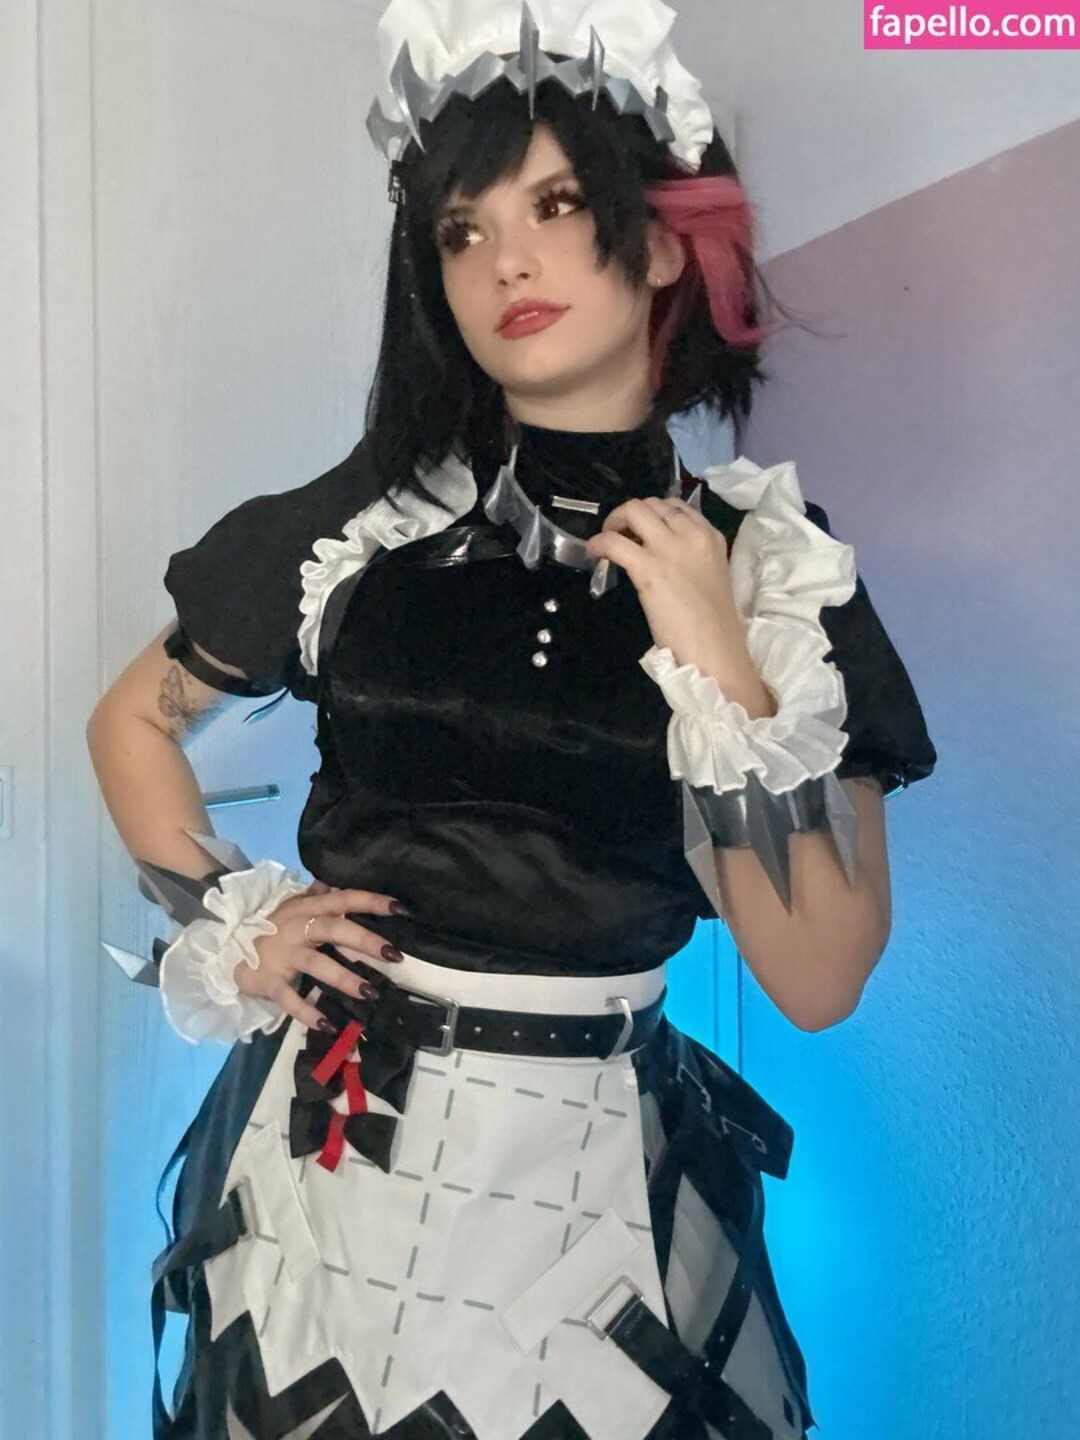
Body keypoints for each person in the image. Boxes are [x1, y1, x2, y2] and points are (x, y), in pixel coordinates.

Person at [86, 1, 937, 1435]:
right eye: (461, 231)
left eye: (554, 206)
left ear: (660, 242)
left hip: (593, 1204)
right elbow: (133, 722)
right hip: (322, 1174)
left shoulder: (777, 573)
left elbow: (818, 975)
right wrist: (237, 922)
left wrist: (719, 656)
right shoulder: (364, 528)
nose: (506, 264)